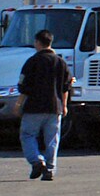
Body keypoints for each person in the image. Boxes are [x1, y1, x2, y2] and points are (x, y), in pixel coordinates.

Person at [17, 29, 72, 181]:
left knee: (28, 135)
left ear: (38, 43)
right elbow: (66, 86)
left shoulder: (32, 62)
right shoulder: (61, 62)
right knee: (52, 139)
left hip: (34, 107)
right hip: (55, 107)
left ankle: (36, 160)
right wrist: (64, 105)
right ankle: (50, 169)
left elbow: (23, 86)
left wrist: (18, 104)